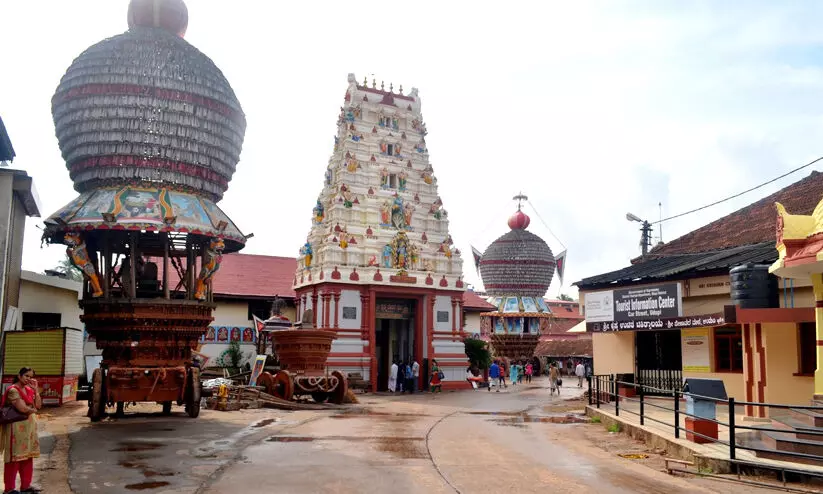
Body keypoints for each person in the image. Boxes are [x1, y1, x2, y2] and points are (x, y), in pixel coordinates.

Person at [2, 367, 42, 494]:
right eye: (26, 376)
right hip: (16, 429)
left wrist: (36, 391)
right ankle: (9, 489)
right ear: (19, 376)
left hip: (29, 428)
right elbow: (23, 409)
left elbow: (39, 405)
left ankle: (25, 486)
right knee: (14, 459)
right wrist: (32, 409)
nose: (29, 379)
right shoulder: (13, 390)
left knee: (27, 457)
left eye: (31, 377)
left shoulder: (30, 389)